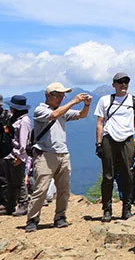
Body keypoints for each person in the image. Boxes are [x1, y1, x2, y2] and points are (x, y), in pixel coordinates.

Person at [27, 82, 91, 232]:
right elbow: (54, 115)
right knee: (41, 189)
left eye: (63, 95)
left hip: (63, 153)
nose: (61, 98)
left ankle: (60, 217)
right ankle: (32, 219)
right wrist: (74, 101)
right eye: (59, 95)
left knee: (63, 189)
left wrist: (86, 105)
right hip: (45, 154)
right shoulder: (40, 110)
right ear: (49, 95)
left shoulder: (62, 111)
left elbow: (81, 115)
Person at [95, 72, 135, 223]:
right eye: (120, 82)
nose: (123, 84)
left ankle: (127, 208)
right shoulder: (105, 100)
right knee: (108, 176)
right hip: (109, 138)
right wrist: (98, 143)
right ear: (114, 84)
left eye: (126, 82)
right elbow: (100, 122)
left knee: (128, 176)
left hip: (127, 139)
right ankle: (107, 209)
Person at [0, 95, 31, 217]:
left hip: (16, 155)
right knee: (10, 181)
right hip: (9, 154)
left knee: (19, 181)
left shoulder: (24, 121)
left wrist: (20, 156)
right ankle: (10, 205)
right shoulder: (14, 119)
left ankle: (23, 204)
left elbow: (23, 140)